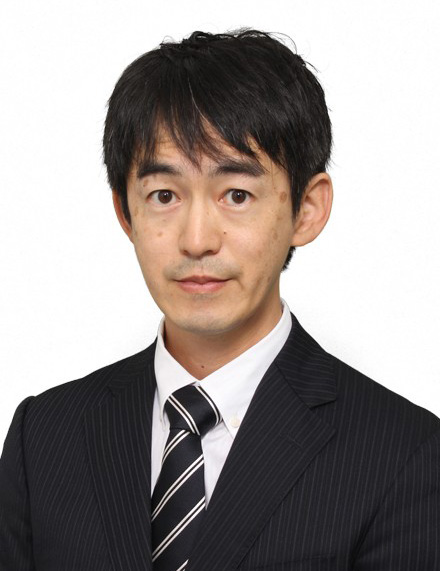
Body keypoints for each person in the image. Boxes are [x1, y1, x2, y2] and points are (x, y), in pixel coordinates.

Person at [0, 28, 439, 571]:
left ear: (307, 210)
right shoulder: (44, 436)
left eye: (237, 194)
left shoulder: (405, 453)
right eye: (164, 195)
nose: (197, 239)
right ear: (125, 213)